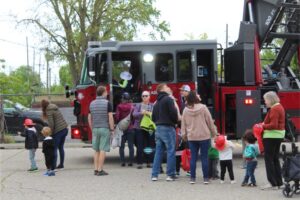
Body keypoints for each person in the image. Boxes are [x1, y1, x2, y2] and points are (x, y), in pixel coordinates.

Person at [181, 91, 217, 184]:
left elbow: (183, 125)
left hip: (192, 137)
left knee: (193, 158)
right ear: (196, 98)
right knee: (204, 157)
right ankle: (205, 178)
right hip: (204, 136)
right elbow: (210, 122)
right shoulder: (203, 108)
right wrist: (214, 134)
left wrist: (184, 135)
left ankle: (192, 178)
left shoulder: (185, 110)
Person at [151, 84, 179, 181]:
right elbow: (173, 113)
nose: (169, 88)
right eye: (167, 87)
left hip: (158, 128)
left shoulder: (156, 102)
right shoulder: (169, 99)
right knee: (171, 151)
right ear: (162, 89)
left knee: (158, 152)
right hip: (168, 127)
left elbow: (153, 117)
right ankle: (170, 174)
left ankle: (154, 175)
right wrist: (175, 122)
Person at [260, 91, 285, 190]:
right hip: (278, 135)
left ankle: (272, 183)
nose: (265, 102)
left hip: (271, 136)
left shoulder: (274, 109)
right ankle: (279, 182)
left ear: (270, 99)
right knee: (275, 159)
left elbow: (273, 125)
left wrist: (262, 125)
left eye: (265, 99)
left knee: (269, 160)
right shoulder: (280, 107)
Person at [88, 86, 114, 176]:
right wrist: (112, 128)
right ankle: (100, 169)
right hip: (104, 128)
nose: (107, 93)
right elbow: (110, 117)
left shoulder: (91, 103)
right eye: (106, 91)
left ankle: (95, 169)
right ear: (103, 93)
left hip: (95, 128)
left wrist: (92, 128)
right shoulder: (107, 103)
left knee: (96, 149)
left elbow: (89, 117)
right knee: (103, 149)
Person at [41, 99, 68, 170]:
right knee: (61, 148)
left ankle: (53, 167)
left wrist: (50, 133)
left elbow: (51, 124)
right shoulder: (55, 107)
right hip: (64, 129)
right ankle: (61, 165)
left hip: (58, 131)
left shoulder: (48, 110)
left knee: (54, 148)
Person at [132, 90, 154, 169]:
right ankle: (139, 163)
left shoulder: (152, 105)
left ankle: (149, 162)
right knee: (140, 145)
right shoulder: (138, 105)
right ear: (141, 97)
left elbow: (155, 115)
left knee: (148, 145)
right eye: (143, 96)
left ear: (149, 97)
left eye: (146, 96)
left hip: (149, 128)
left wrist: (149, 113)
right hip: (139, 128)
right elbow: (134, 114)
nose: (144, 97)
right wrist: (141, 113)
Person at [115, 92, 135, 167]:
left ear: (122, 98)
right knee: (131, 146)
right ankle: (131, 162)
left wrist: (118, 122)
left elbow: (117, 117)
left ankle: (123, 162)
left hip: (122, 129)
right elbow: (133, 117)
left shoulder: (119, 106)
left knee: (121, 146)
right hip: (130, 127)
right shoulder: (132, 106)